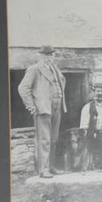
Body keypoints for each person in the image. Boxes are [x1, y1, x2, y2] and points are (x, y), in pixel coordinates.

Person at [18, 45, 66, 178]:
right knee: (44, 139)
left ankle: (51, 166)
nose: (49, 57)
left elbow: (61, 84)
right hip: (43, 108)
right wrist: (31, 106)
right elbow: (23, 88)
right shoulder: (35, 69)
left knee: (54, 139)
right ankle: (43, 170)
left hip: (57, 107)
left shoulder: (56, 69)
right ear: (41, 56)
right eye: (46, 55)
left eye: (51, 55)